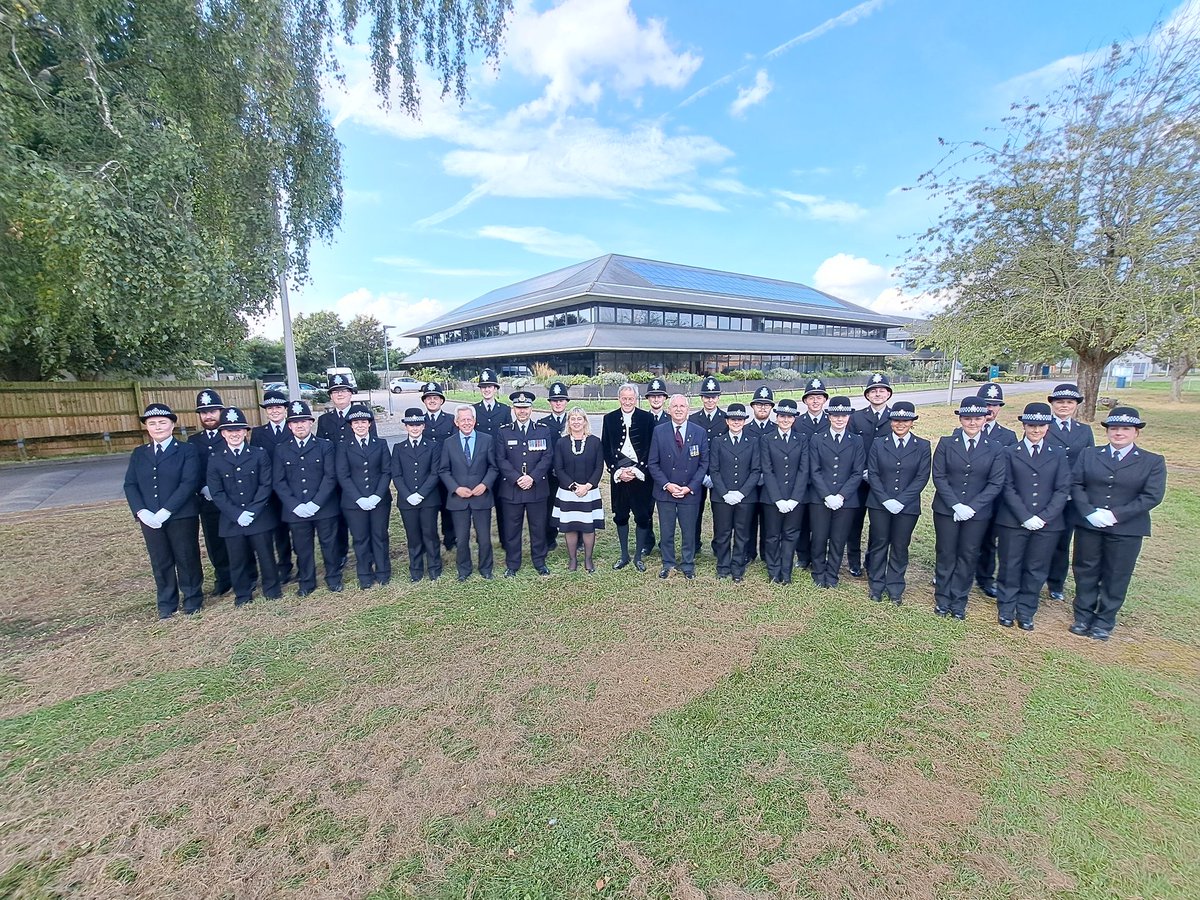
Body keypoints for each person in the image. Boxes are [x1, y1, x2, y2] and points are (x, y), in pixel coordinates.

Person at [1069, 406, 1166, 641]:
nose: (1119, 433)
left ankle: (1104, 620)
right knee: (1085, 569)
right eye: (1114, 428)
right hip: (1090, 524)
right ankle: (1083, 615)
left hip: (1126, 528)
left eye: (1125, 429)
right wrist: (1089, 512)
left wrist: (1115, 515)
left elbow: (1151, 496)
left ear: (1136, 433)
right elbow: (1076, 484)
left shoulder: (1151, 461)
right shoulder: (1090, 455)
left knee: (1116, 573)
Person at [995, 403, 1072, 630]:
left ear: (1047, 427)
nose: (1036, 430)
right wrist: (1024, 515)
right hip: (1013, 520)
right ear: (1024, 426)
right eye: (1031, 425)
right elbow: (1006, 486)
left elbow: (1062, 488)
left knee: (1036, 567)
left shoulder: (1057, 454)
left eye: (1040, 426)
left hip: (1047, 523)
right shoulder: (1010, 452)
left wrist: (1044, 516)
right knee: (1010, 565)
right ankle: (1007, 607)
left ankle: (1027, 610)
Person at [123, 403, 204, 619]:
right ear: (147, 428)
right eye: (152, 423)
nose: (158, 427)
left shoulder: (186, 450)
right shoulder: (140, 453)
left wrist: (167, 510)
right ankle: (167, 603)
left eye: (162, 422)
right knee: (160, 559)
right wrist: (141, 512)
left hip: (181, 515)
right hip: (149, 518)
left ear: (172, 425)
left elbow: (189, 482)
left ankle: (192, 598)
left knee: (186, 557)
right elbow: (130, 484)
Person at [930, 398, 1006, 620]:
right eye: (967, 418)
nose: (972, 422)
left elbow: (996, 482)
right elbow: (939, 476)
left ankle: (959, 601)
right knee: (946, 553)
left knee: (968, 555)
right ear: (960, 419)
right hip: (947, 509)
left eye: (977, 418)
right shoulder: (947, 442)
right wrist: (955, 504)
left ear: (985, 419)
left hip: (977, 513)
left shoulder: (995, 448)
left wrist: (972, 507)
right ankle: (942, 599)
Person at [207, 406, 281, 607]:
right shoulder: (215, 459)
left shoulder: (259, 454)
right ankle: (243, 594)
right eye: (230, 431)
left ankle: (272, 589)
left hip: (259, 516)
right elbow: (217, 492)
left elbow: (266, 484)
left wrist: (252, 511)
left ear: (246, 432)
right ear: (223, 433)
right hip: (232, 520)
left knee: (266, 556)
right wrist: (236, 514)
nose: (235, 434)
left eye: (239, 430)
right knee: (237, 559)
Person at [273, 400, 343, 595]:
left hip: (323, 506)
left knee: (329, 545)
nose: (300, 425)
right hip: (295, 509)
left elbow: (330, 476)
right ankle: (307, 582)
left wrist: (316, 503)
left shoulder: (324, 446)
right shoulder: (281, 449)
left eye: (303, 421)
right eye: (295, 422)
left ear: (311, 422)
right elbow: (279, 481)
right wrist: (295, 505)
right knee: (302, 549)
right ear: (289, 426)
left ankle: (333, 578)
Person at [865, 401, 930, 605]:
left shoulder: (922, 445)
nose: (900, 424)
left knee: (900, 546)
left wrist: (901, 501)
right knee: (879, 543)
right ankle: (876, 585)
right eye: (896, 420)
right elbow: (872, 473)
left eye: (906, 420)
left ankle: (895, 587)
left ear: (912, 422)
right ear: (891, 422)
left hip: (907, 506)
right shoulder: (879, 443)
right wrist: (886, 500)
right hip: (879, 504)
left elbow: (922, 477)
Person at [805, 396, 865, 589]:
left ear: (849, 417)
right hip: (820, 497)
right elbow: (814, 470)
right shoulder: (817, 439)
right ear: (829, 416)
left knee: (839, 539)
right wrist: (826, 495)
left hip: (846, 500)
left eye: (844, 415)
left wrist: (840, 496)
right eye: (835, 415)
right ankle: (818, 572)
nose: (839, 419)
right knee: (820, 537)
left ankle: (832, 573)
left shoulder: (856, 441)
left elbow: (857, 472)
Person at [1043, 383, 1095, 602]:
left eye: (1069, 402)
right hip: (1045, 491)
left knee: (1063, 540)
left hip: (1071, 496)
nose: (1064, 406)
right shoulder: (1042, 426)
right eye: (1060, 402)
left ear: (1075, 406)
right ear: (1053, 404)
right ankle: (1034, 578)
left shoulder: (1084, 431)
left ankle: (1056, 582)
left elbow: (1090, 461)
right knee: (1040, 538)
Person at [649, 394, 709, 579]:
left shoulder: (699, 432)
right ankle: (668, 563)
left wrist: (690, 487)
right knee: (666, 531)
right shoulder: (659, 431)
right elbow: (653, 463)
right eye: (675, 406)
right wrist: (667, 485)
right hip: (666, 491)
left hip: (689, 492)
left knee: (688, 531)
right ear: (669, 409)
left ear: (688, 409)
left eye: (682, 406)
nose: (678, 409)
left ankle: (688, 564)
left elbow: (704, 464)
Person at [495, 390, 554, 576]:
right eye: (519, 408)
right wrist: (516, 478)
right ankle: (512, 564)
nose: (522, 411)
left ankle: (539, 561)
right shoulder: (503, 431)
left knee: (538, 527)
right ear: (514, 409)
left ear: (531, 408)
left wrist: (532, 477)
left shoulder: (543, 430)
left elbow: (547, 457)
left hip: (536, 487)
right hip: (512, 488)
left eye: (526, 408)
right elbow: (501, 459)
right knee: (512, 529)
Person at [317, 373, 372, 570]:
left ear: (351, 394)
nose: (339, 394)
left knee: (365, 519)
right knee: (337, 518)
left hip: (358, 477)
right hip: (333, 478)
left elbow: (371, 448)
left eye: (343, 391)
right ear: (331, 396)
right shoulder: (324, 420)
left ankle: (369, 554)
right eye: (335, 392)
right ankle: (340, 553)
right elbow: (321, 449)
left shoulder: (362, 416)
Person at [601, 383, 657, 571]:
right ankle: (624, 555)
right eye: (624, 398)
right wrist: (617, 470)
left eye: (630, 398)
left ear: (636, 399)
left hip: (641, 477)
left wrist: (636, 470)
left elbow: (651, 448)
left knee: (642, 516)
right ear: (619, 399)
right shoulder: (608, 419)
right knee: (621, 515)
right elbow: (606, 449)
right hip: (619, 477)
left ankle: (638, 557)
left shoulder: (647, 418)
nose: (627, 402)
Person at [336, 403, 392, 589]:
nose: (360, 425)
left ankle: (383, 572)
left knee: (380, 536)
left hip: (379, 500)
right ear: (351, 425)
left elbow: (386, 472)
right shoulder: (343, 446)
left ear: (369, 424)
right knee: (360, 538)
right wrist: (359, 498)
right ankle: (365, 574)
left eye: (363, 421)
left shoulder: (381, 443)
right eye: (356, 422)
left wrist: (377, 496)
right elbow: (343, 475)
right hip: (354, 502)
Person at [440, 405, 497, 582]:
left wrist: (485, 484)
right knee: (462, 538)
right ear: (456, 422)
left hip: (481, 497)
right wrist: (456, 488)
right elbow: (443, 470)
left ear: (475, 420)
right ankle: (464, 569)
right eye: (462, 419)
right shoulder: (449, 443)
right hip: (459, 499)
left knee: (484, 537)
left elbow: (493, 467)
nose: (466, 422)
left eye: (469, 419)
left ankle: (486, 568)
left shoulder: (486, 440)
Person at [974, 382, 1019, 599]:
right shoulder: (962, 430)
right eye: (986, 404)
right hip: (967, 494)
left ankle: (985, 576)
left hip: (994, 497)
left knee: (989, 539)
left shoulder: (1008, 436)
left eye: (995, 405)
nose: (990, 409)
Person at [847, 373, 894, 577]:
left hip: (882, 481)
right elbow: (849, 447)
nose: (877, 394)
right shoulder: (856, 417)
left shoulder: (896, 417)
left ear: (888, 394)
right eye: (873, 391)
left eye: (881, 390)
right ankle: (854, 560)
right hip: (857, 480)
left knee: (878, 524)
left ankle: (872, 560)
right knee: (854, 522)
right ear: (867, 395)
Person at [708, 403, 761, 582]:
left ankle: (738, 567)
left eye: (740, 419)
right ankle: (723, 566)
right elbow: (714, 470)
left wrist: (741, 493)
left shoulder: (753, 441)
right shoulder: (718, 441)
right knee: (722, 533)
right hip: (721, 497)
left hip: (745, 498)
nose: (736, 422)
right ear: (727, 421)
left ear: (744, 421)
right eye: (733, 419)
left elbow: (756, 470)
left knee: (742, 533)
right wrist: (725, 493)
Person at [188, 388, 232, 596]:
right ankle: (223, 577)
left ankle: (245, 574)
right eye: (204, 412)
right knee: (214, 541)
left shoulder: (232, 433)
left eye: (213, 411)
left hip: (232, 498)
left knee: (237, 539)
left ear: (221, 412)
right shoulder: (193, 442)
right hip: (208, 501)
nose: (208, 416)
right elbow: (191, 471)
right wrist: (203, 488)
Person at [759, 398, 809, 585]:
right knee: (772, 536)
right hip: (773, 498)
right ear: (777, 417)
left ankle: (786, 572)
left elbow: (804, 470)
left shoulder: (802, 439)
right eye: (782, 416)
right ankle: (773, 571)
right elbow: (767, 469)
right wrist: (778, 499)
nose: (785, 420)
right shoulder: (767, 439)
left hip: (796, 498)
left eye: (789, 417)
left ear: (794, 419)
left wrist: (795, 498)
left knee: (790, 535)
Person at [392, 407, 443, 583]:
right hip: (407, 501)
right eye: (411, 425)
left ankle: (434, 567)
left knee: (430, 534)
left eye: (418, 424)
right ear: (406, 427)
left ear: (424, 426)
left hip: (428, 499)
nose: (414, 428)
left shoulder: (433, 446)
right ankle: (416, 568)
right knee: (412, 536)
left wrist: (420, 494)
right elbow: (396, 475)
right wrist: (408, 495)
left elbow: (435, 473)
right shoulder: (398, 448)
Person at [551, 406, 606, 572]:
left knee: (588, 527)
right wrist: (574, 487)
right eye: (572, 419)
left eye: (579, 419)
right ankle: (573, 559)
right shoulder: (561, 443)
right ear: (568, 422)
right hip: (569, 492)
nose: (576, 422)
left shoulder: (595, 442)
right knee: (570, 526)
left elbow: (599, 467)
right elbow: (558, 468)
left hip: (589, 492)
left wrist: (587, 486)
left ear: (585, 421)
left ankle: (588, 560)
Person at [251, 389, 294, 584]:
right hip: (270, 491)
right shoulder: (259, 433)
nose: (274, 411)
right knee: (278, 530)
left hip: (293, 488)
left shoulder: (295, 427)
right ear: (266, 411)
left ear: (285, 410)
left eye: (278, 407)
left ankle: (303, 564)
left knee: (298, 529)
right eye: (270, 408)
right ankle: (284, 566)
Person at [793, 377, 830, 571]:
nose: (815, 401)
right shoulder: (797, 423)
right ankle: (802, 556)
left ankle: (819, 556)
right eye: (811, 398)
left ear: (824, 400)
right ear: (805, 401)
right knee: (802, 520)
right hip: (801, 480)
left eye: (819, 397)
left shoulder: (830, 421)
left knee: (820, 523)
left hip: (824, 480)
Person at [689, 376, 727, 555]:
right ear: (701, 398)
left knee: (719, 513)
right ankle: (694, 544)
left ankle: (719, 547)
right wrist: (701, 474)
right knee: (695, 510)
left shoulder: (726, 419)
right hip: (697, 474)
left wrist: (714, 473)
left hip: (719, 474)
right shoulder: (693, 419)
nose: (710, 400)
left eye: (713, 397)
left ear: (718, 397)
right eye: (706, 396)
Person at [421, 380, 458, 551]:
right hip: (425, 473)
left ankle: (450, 538)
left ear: (442, 400)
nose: (432, 401)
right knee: (428, 509)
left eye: (435, 397)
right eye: (428, 398)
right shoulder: (419, 422)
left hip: (446, 473)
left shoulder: (451, 420)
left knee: (448, 507)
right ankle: (429, 540)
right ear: (424, 401)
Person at [745, 385, 776, 563]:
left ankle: (766, 553)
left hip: (769, 484)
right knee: (748, 519)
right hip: (748, 482)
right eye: (759, 404)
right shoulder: (744, 429)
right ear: (753, 406)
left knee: (768, 520)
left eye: (766, 404)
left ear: (771, 408)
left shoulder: (776, 429)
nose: (762, 407)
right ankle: (749, 553)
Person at [540, 381, 572, 551]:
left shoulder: (574, 420)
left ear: (567, 401)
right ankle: (549, 538)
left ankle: (578, 537)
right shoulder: (542, 423)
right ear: (550, 402)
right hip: (550, 474)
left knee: (574, 505)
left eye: (561, 400)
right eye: (554, 400)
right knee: (550, 505)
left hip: (571, 473)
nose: (558, 403)